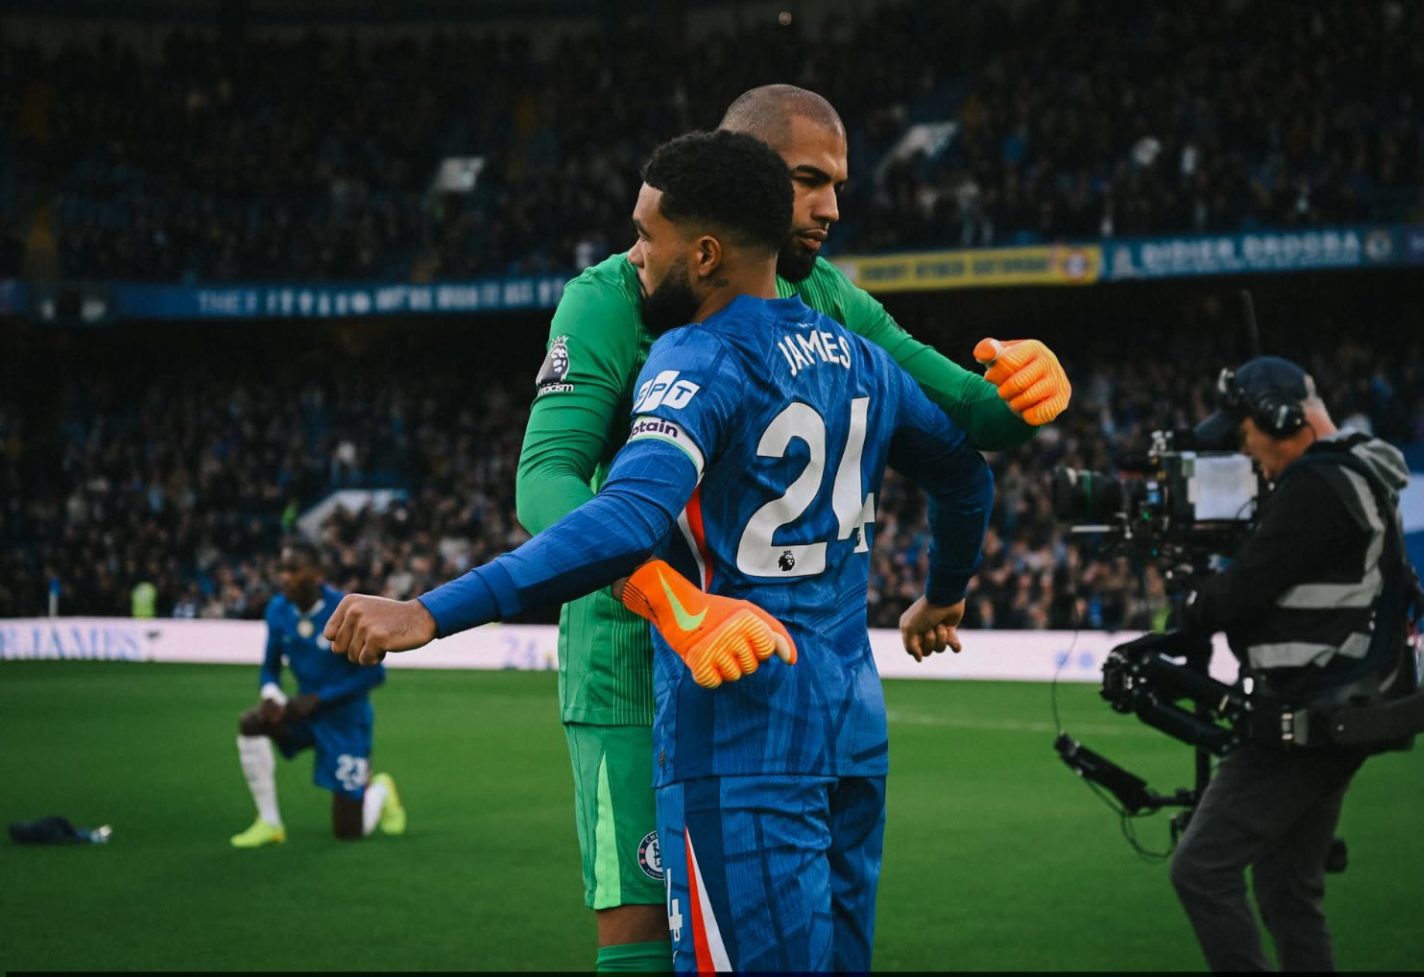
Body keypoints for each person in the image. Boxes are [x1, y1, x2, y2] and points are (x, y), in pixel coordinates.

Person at [324, 129, 994, 971]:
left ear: (705, 254)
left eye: (647, 236)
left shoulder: (697, 353)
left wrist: (431, 611)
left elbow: (628, 517)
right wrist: (944, 589)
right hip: (850, 725)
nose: (634, 256)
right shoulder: (860, 356)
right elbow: (967, 477)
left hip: (738, 728)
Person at [511, 83, 1070, 973]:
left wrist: (1027, 388)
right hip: (630, 664)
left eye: (837, 184)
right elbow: (545, 475)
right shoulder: (611, 298)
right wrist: (657, 590)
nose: (831, 207)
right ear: (743, 178)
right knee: (646, 936)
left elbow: (965, 418)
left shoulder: (830, 299)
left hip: (771, 687)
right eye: (809, 180)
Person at [1170, 356, 1419, 971]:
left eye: (1245, 435)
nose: (1246, 452)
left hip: (1306, 715)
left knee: (1201, 868)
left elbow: (1243, 590)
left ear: (1281, 418)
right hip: (1342, 710)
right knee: (1287, 888)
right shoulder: (1361, 473)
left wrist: (1193, 605)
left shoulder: (1319, 484)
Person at [230, 541, 405, 847]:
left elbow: (375, 674)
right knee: (252, 723)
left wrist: (320, 699)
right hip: (303, 712)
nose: (285, 577)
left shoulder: (345, 611)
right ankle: (269, 822)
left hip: (346, 721)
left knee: (348, 832)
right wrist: (271, 695)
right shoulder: (277, 610)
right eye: (282, 569)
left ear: (317, 573)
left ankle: (379, 791)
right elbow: (270, 668)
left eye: (294, 570)